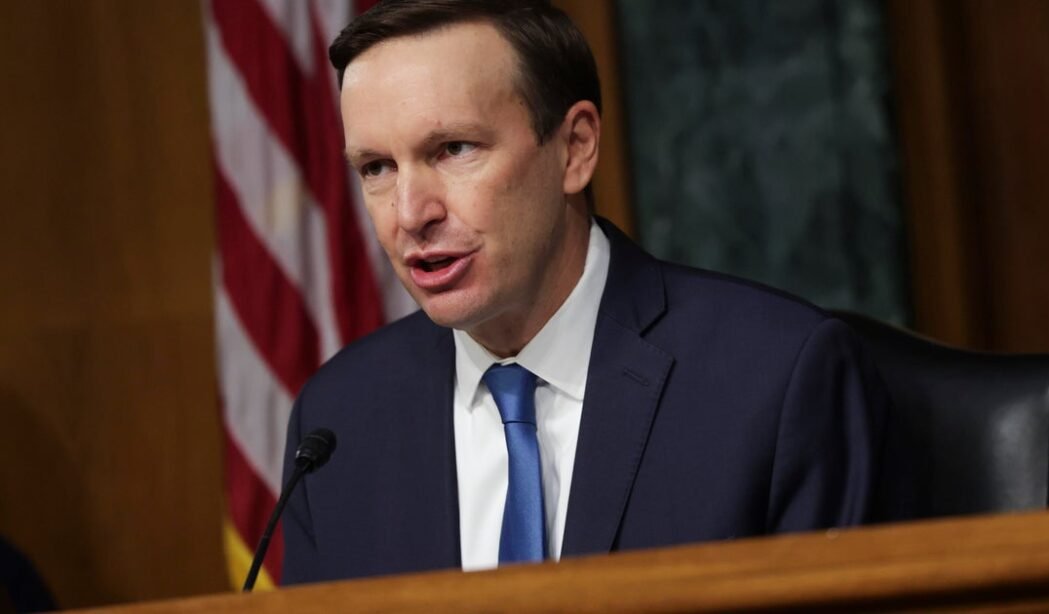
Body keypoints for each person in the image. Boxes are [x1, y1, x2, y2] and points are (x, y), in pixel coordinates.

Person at [281, 0, 889, 584]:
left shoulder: (776, 380)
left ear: (575, 148)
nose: (411, 214)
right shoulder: (338, 421)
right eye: (377, 168)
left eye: (454, 149)